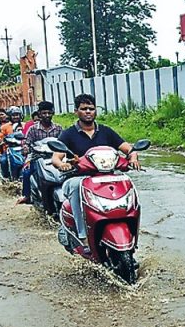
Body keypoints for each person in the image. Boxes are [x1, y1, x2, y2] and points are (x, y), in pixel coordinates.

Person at [51, 94, 141, 252]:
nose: (88, 112)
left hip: (106, 178)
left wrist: (133, 158)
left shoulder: (106, 131)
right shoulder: (69, 134)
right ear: (76, 111)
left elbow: (129, 149)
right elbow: (56, 158)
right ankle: (83, 236)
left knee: (126, 183)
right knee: (76, 187)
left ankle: (132, 232)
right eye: (84, 109)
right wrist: (63, 165)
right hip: (78, 177)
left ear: (96, 111)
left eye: (91, 109)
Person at [16, 101, 62, 205]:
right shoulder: (33, 129)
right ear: (39, 114)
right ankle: (26, 196)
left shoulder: (58, 128)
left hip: (56, 157)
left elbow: (63, 143)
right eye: (44, 113)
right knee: (27, 172)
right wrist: (25, 148)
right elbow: (26, 143)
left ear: (53, 113)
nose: (47, 115)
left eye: (49, 113)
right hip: (37, 157)